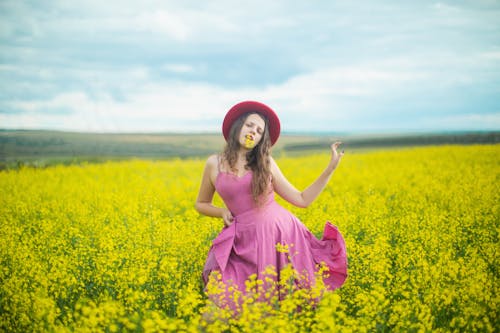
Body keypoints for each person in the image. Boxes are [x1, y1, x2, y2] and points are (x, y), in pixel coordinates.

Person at [195, 100, 347, 308]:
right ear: (238, 126)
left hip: (279, 239)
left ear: (260, 139)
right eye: (250, 125)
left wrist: (330, 169)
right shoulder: (214, 163)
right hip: (241, 242)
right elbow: (201, 203)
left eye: (259, 131)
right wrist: (221, 211)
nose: (253, 132)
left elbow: (302, 199)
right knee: (219, 307)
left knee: (277, 308)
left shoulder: (266, 163)